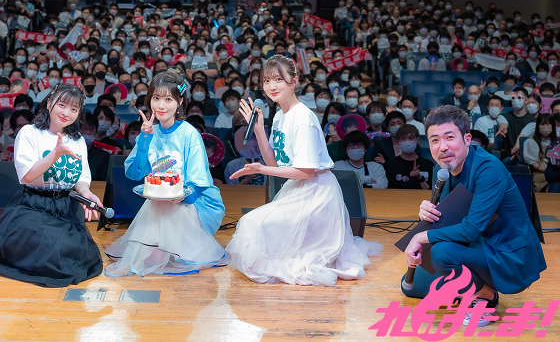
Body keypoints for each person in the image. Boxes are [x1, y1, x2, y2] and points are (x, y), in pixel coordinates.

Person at [225, 55, 381, 286]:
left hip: (317, 193)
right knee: (255, 229)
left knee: (253, 226)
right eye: (267, 81)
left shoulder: (302, 118)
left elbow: (306, 171)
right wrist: (258, 130)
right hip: (298, 189)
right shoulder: (280, 116)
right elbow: (276, 164)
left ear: (294, 82)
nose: (272, 86)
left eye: (278, 79)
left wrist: (262, 168)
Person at [402, 105, 546, 327]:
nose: (443, 147)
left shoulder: (489, 169)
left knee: (441, 254)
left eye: (450, 137)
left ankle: (487, 295)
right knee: (411, 287)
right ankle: (466, 285)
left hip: (506, 252)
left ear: (467, 139)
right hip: (475, 244)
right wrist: (427, 213)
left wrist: (420, 237)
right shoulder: (442, 169)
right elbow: (447, 219)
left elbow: (471, 229)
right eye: (435, 140)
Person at [0, 83, 104, 287]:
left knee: (78, 258)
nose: (66, 113)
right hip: (34, 205)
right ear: (49, 104)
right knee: (52, 248)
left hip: (66, 207)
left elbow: (81, 176)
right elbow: (27, 176)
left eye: (74, 109)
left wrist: (86, 193)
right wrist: (55, 153)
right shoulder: (30, 133)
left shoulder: (78, 140)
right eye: (62, 105)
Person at [104, 70, 227, 277]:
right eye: (156, 98)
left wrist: (179, 197)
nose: (161, 105)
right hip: (162, 201)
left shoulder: (189, 133)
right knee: (154, 242)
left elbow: (198, 182)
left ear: (180, 102)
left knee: (158, 248)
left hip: (196, 202)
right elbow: (134, 173)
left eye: (168, 99)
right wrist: (144, 139)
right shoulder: (148, 132)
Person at [383, 124, 433, 190]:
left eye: (411, 138)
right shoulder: (390, 165)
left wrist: (420, 178)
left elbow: (431, 191)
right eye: (403, 138)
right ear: (398, 142)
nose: (407, 141)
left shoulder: (428, 164)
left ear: (417, 140)